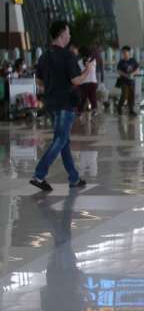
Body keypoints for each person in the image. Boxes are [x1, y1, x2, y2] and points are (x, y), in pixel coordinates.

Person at [30, 21, 92, 191]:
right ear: (62, 34)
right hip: (66, 103)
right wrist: (88, 70)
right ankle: (39, 174)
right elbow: (76, 80)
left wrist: (52, 86)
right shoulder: (67, 56)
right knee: (61, 139)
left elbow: (39, 81)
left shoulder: (44, 56)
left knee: (63, 140)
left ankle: (74, 177)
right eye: (68, 33)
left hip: (51, 104)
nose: (70, 36)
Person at [116, 46, 139, 116]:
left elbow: (137, 70)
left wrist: (132, 74)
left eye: (125, 52)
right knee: (125, 94)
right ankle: (119, 107)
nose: (124, 54)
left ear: (129, 52)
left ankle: (131, 110)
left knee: (131, 96)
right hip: (124, 81)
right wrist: (126, 75)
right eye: (123, 52)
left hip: (131, 81)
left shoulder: (133, 61)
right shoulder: (121, 62)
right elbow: (119, 71)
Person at [77, 46, 98, 116]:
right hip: (91, 82)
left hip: (85, 82)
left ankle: (80, 111)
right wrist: (87, 67)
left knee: (84, 97)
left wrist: (86, 67)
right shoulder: (93, 61)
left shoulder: (81, 62)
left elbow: (80, 73)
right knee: (91, 97)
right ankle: (92, 110)